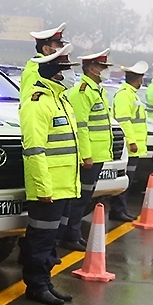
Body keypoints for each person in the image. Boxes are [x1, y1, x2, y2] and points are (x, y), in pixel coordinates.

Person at [17, 44, 80, 305]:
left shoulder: (61, 100)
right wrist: (43, 188)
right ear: (53, 71)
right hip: (49, 188)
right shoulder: (38, 103)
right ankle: (35, 284)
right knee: (41, 238)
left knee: (52, 239)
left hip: (66, 185)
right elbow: (34, 150)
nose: (67, 74)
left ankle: (45, 281)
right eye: (63, 69)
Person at [60, 49, 113, 250]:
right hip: (88, 157)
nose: (106, 71)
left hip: (98, 154)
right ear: (92, 69)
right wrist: (86, 155)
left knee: (84, 199)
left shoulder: (97, 91)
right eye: (103, 67)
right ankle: (70, 236)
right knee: (78, 199)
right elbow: (80, 126)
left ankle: (73, 234)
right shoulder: (82, 92)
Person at [109, 61, 148, 223]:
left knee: (128, 180)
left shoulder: (131, 94)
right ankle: (118, 211)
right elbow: (124, 120)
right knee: (125, 180)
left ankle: (121, 209)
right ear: (138, 79)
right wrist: (131, 141)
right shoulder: (125, 94)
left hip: (134, 146)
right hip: (129, 146)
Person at [20, 23, 68, 103]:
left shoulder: (49, 66)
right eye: (58, 45)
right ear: (46, 49)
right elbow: (31, 102)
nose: (62, 48)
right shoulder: (36, 70)